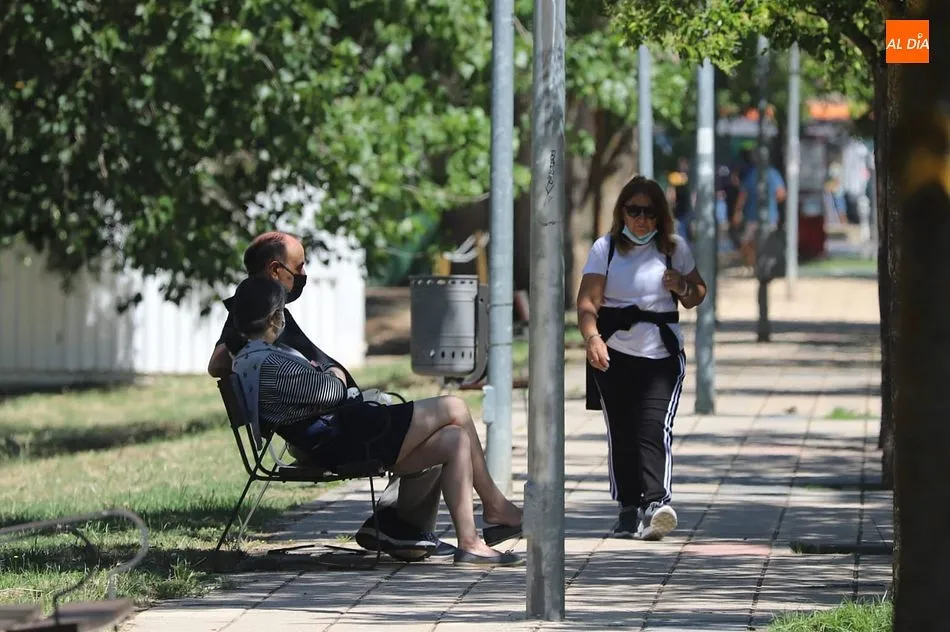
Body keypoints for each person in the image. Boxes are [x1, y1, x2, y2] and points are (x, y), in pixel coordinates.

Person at [207, 232, 518, 560]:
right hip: (345, 435)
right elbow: (320, 389)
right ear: (274, 274)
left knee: (455, 439)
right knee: (454, 406)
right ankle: (494, 508)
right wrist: (333, 377)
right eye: (299, 267)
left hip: (347, 429)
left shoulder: (258, 332)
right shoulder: (256, 332)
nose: (303, 275)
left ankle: (467, 543)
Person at [576, 175, 707, 540]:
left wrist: (681, 285)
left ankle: (656, 504)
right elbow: (587, 303)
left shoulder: (674, 248)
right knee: (622, 432)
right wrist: (592, 338)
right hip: (614, 355)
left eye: (649, 213)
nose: (641, 220)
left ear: (660, 216)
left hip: (661, 356)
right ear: (622, 212)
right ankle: (627, 508)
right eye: (634, 211)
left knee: (653, 427)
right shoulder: (605, 249)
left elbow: (698, 293)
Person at [732, 162, 786, 269]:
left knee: (747, 243)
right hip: (770, 216)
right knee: (767, 242)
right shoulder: (773, 174)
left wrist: (737, 213)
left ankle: (753, 266)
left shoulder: (751, 174)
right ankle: (765, 267)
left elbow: (742, 196)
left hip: (752, 217)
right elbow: (781, 195)